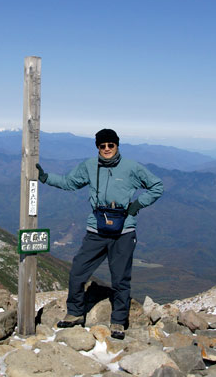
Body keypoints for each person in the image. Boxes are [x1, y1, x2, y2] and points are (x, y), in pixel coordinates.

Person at [36, 128, 164, 339]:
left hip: (123, 231)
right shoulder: (89, 165)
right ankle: (75, 313)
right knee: (78, 271)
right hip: (96, 229)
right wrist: (45, 178)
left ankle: (118, 321)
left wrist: (137, 205)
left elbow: (157, 186)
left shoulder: (131, 167)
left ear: (117, 145)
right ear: (97, 147)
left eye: (110, 145)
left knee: (120, 279)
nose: (106, 149)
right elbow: (69, 182)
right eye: (102, 145)